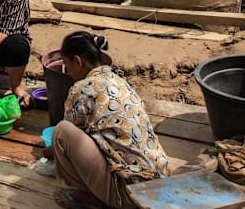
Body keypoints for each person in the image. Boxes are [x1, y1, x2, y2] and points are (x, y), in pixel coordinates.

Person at [43, 31, 170, 209]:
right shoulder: (119, 81)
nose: (68, 72)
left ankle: (93, 198)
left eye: (67, 65)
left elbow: (68, 140)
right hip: (158, 181)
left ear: (78, 61)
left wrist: (47, 152)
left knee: (62, 132)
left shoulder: (82, 88)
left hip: (129, 192)